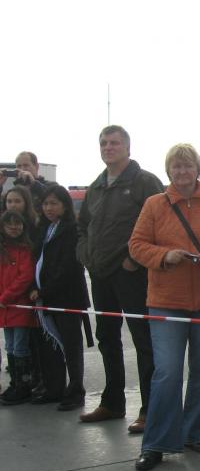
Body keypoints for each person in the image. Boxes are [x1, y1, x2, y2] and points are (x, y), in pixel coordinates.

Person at [128, 144, 200, 471]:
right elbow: (136, 245)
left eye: (187, 166)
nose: (182, 172)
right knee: (167, 372)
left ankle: (197, 434)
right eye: (176, 167)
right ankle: (156, 443)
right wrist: (164, 256)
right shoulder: (154, 204)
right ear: (169, 171)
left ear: (197, 169)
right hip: (166, 302)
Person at [77, 125, 164, 432]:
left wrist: (134, 260)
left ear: (127, 147)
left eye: (114, 142)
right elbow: (82, 227)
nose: (108, 147)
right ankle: (112, 403)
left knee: (144, 340)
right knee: (107, 338)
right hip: (100, 273)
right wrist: (85, 256)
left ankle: (150, 408)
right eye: (103, 142)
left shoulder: (144, 182)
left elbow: (161, 222)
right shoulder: (96, 187)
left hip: (132, 275)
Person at [29, 185, 93, 410]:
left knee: (71, 346)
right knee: (50, 346)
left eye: (54, 203)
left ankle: (75, 391)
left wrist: (44, 290)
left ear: (65, 206)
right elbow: (36, 261)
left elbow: (68, 267)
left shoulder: (71, 230)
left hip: (67, 298)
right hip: (44, 298)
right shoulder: (43, 229)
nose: (49, 208)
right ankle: (54, 388)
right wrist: (34, 287)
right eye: (46, 203)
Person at [0, 211, 37, 405]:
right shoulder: (3, 250)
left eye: (18, 224)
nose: (14, 227)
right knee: (10, 346)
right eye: (9, 224)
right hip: (5, 308)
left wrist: (6, 297)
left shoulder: (25, 249)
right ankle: (15, 383)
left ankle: (23, 385)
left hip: (19, 306)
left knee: (19, 346)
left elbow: (25, 276)